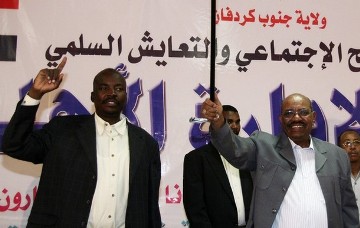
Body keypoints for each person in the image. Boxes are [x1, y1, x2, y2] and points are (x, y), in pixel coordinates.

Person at [1, 57, 162, 228]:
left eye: (118, 88)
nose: (111, 93)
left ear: (125, 96)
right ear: (93, 96)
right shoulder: (62, 130)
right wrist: (35, 93)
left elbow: (150, 208)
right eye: (103, 88)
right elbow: (15, 145)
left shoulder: (146, 144)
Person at [201, 93, 359, 228]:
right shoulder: (263, 146)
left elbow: (348, 209)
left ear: (314, 117)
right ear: (281, 119)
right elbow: (235, 149)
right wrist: (218, 121)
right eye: (289, 113)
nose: (296, 117)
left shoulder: (336, 155)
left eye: (303, 112)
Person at [183, 105, 253, 228]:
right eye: (229, 122)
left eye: (237, 122)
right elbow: (195, 209)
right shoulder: (196, 159)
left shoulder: (248, 156)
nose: (235, 127)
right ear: (215, 125)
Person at [338, 129, 360, 218]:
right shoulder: (335, 177)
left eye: (357, 142)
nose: (353, 147)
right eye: (347, 143)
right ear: (339, 148)